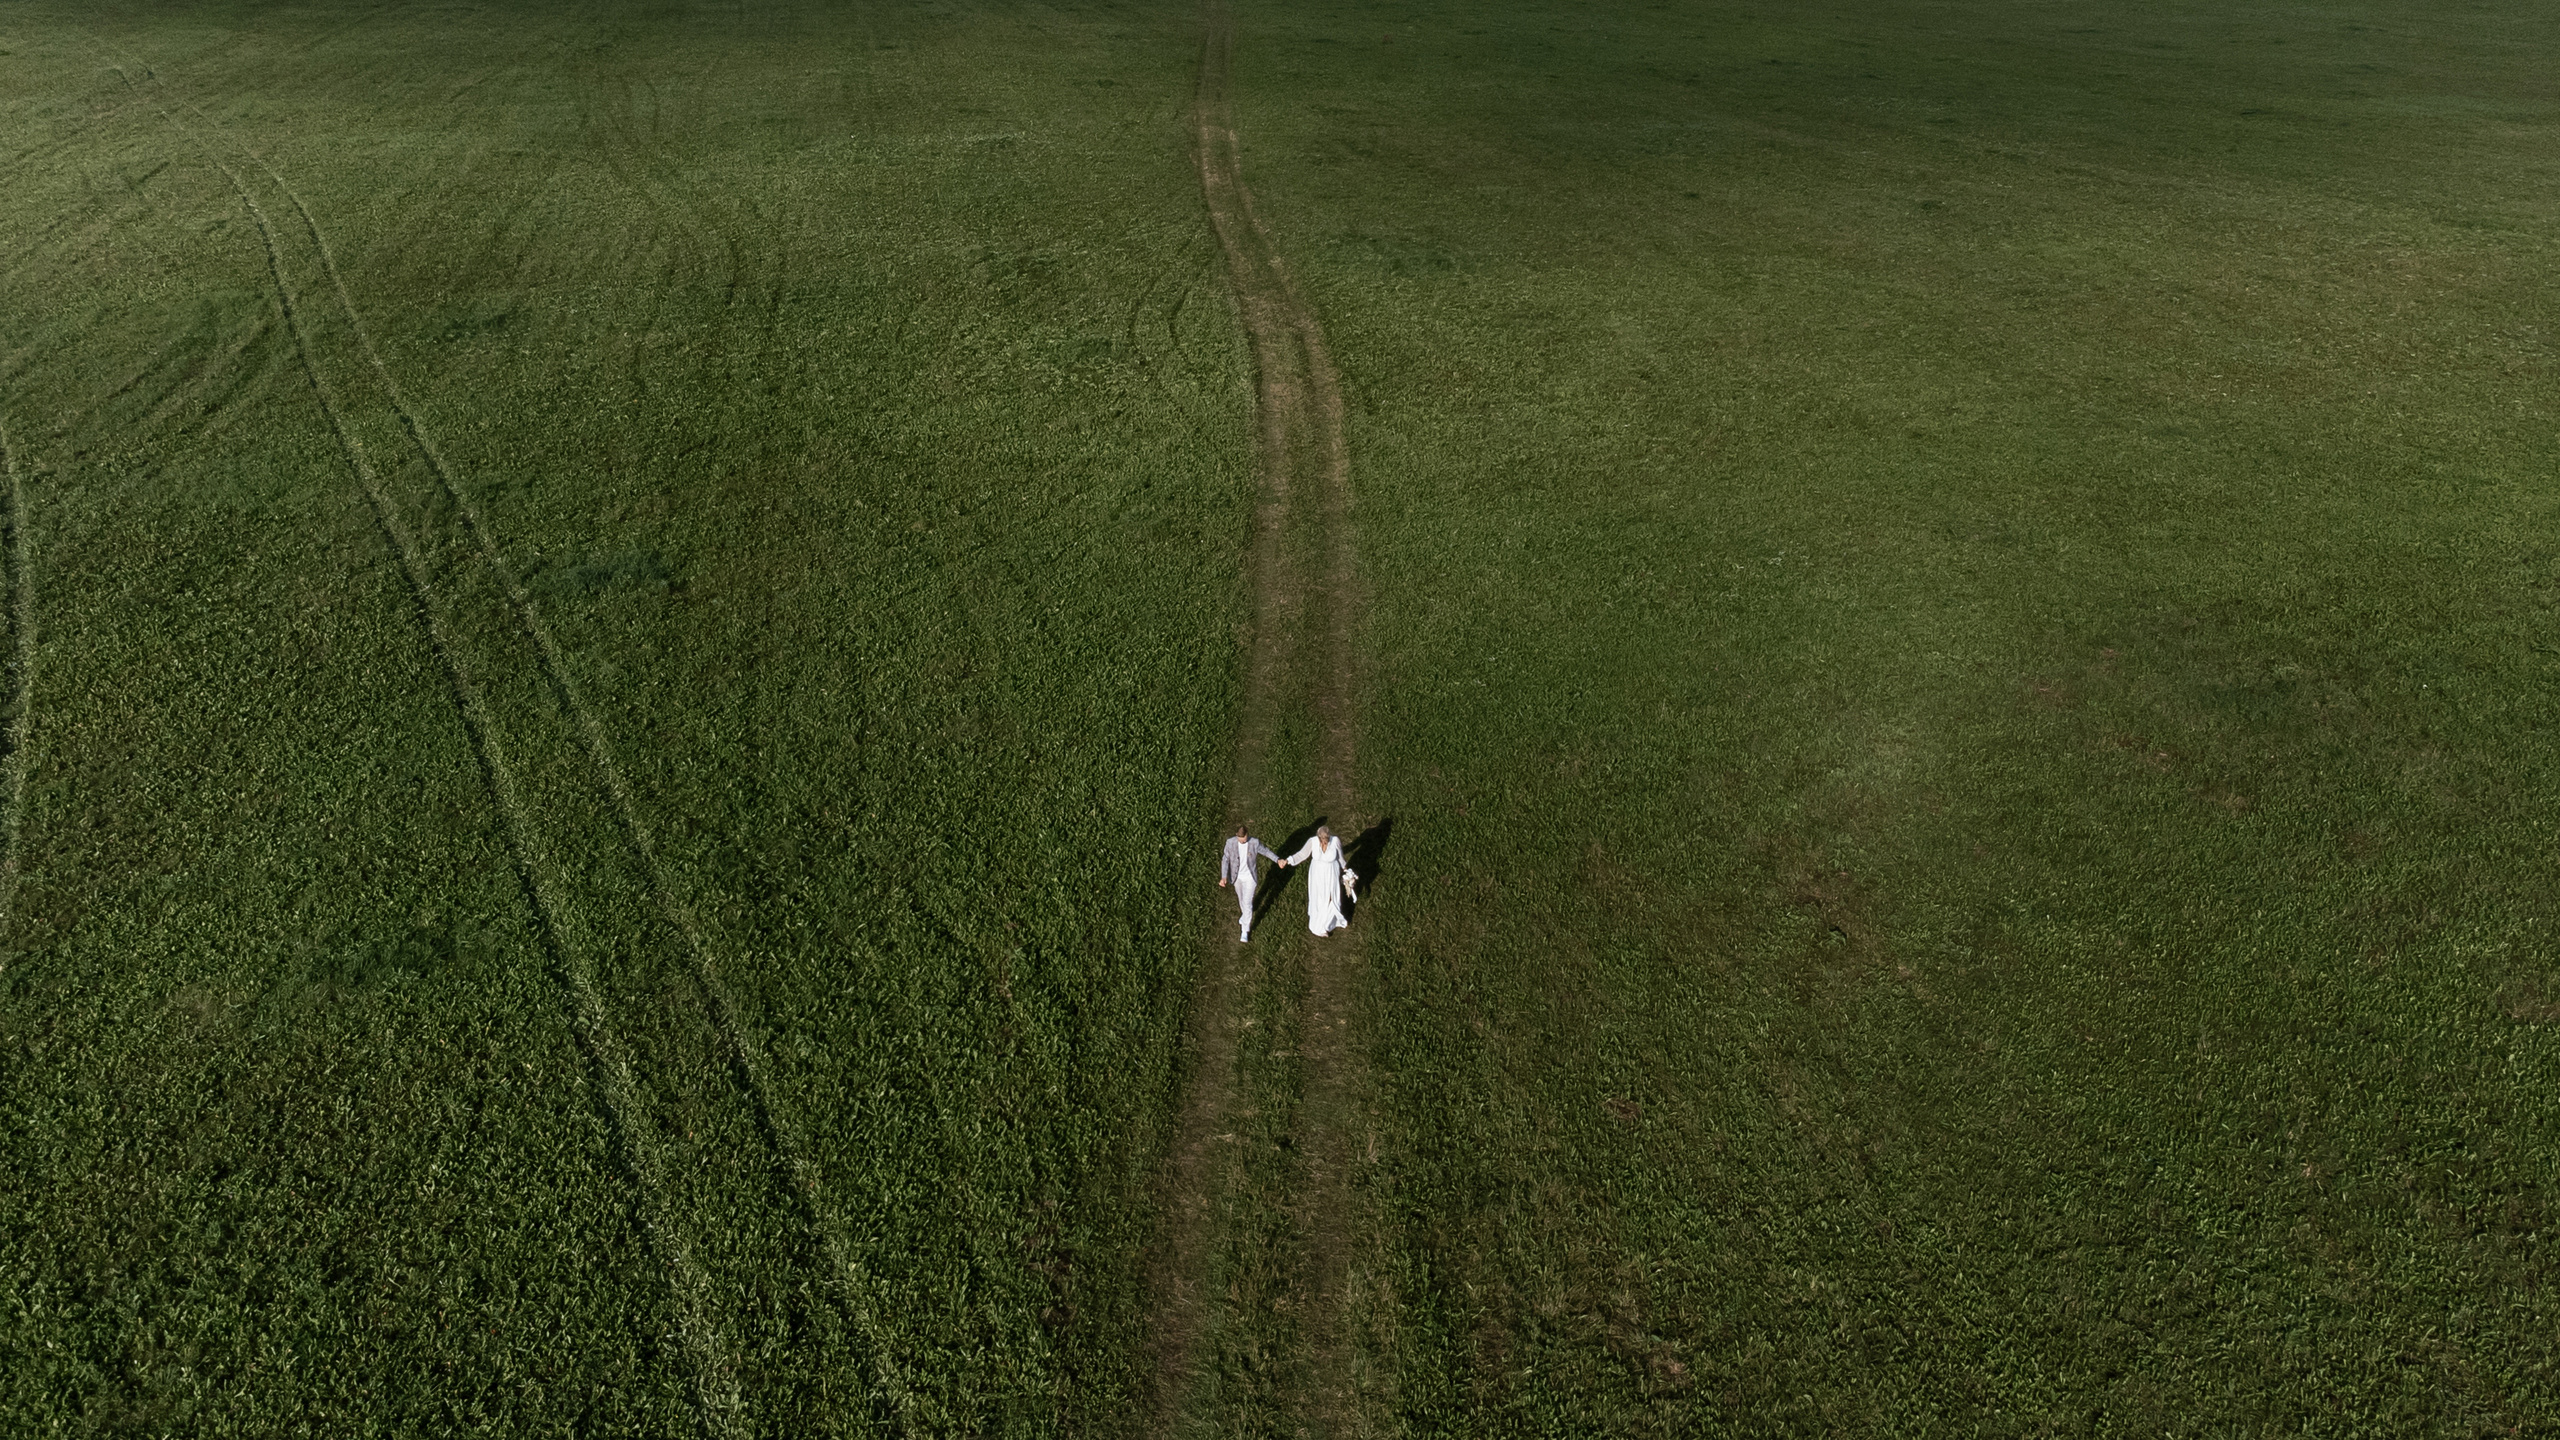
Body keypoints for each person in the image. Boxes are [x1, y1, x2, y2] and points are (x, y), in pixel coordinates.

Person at [1283, 825, 1355, 937]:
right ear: (1318, 837)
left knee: (1332, 898)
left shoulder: (1335, 841)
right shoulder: (1312, 841)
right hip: (1317, 875)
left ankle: (1328, 923)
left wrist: (1347, 871)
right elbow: (1302, 854)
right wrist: (1288, 860)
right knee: (1319, 898)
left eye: (1326, 840)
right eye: (1322, 840)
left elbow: (1340, 858)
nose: (1324, 843)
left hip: (1332, 873)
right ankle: (1319, 927)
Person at [1217, 825, 1283, 943]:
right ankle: (1245, 917)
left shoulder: (1254, 842)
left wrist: (1277, 860)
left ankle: (1245, 930)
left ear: (1248, 834)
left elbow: (1266, 851)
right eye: (1241, 839)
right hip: (1236, 877)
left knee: (1247, 902)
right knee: (1242, 899)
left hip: (1250, 878)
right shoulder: (1230, 843)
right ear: (1236, 835)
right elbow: (1225, 859)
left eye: (1245, 837)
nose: (1243, 841)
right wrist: (1224, 877)